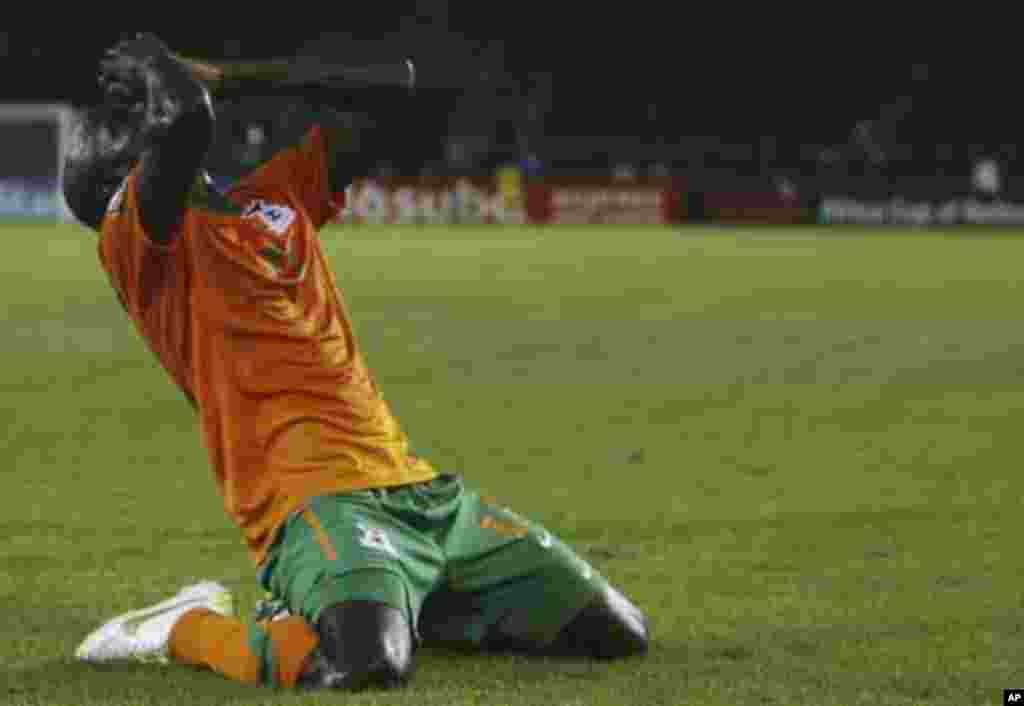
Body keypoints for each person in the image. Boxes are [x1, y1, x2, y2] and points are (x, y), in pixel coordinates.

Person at [66, 35, 649, 691]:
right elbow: (189, 117)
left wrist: (237, 74)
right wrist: (160, 67)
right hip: (311, 498)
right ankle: (183, 626)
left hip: (420, 492)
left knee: (615, 632)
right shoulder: (139, 245)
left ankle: (404, 599)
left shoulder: (275, 199)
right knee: (363, 668)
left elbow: (405, 94)